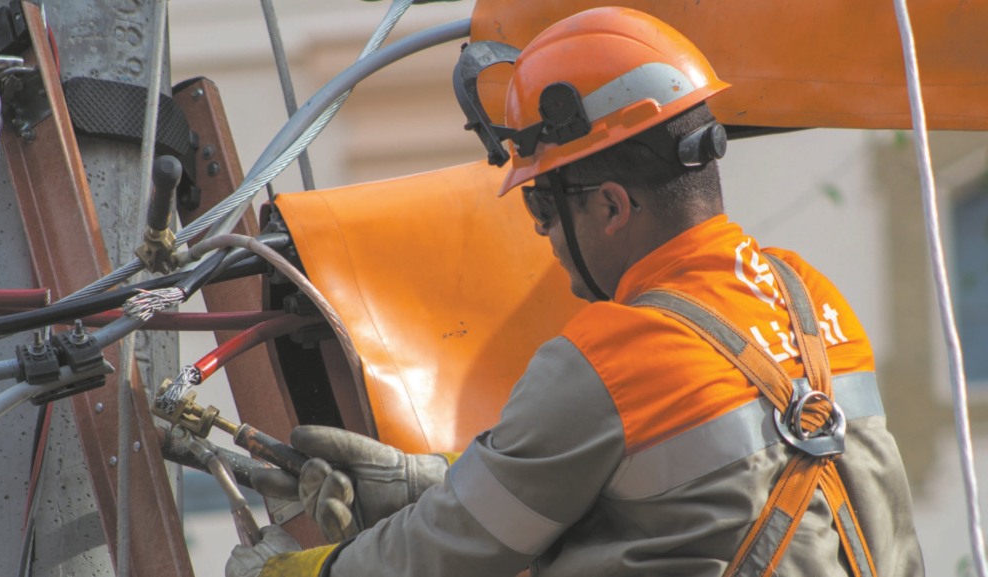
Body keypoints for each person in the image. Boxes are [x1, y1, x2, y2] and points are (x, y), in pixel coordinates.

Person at [226, 6, 924, 577]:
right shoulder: (813, 298)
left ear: (612, 206)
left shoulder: (614, 356)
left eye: (543, 209)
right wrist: (431, 480)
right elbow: (679, 491)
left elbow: (446, 550)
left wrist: (305, 572)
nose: (548, 240)